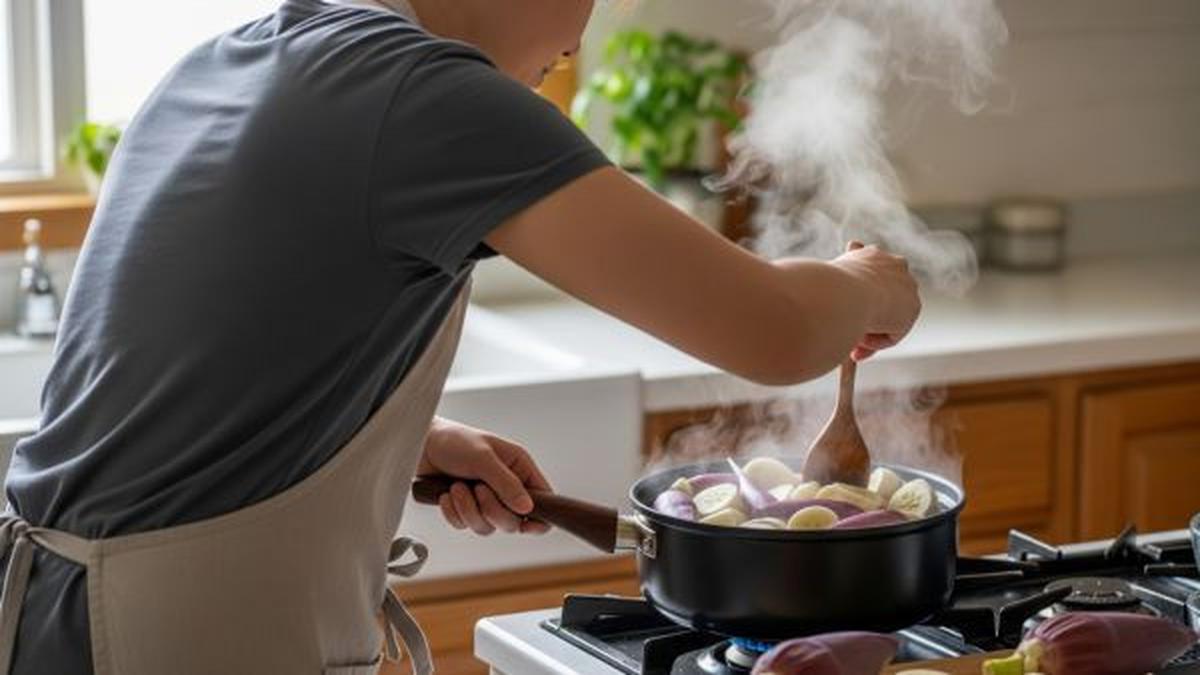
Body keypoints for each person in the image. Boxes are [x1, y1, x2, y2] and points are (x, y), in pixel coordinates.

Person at [0, 1, 919, 673]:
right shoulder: (429, 94)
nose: (579, 41)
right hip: (167, 643)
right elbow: (773, 330)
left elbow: (187, 390)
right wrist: (867, 283)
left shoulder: (232, 57)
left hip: (66, 619)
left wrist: (391, 444)